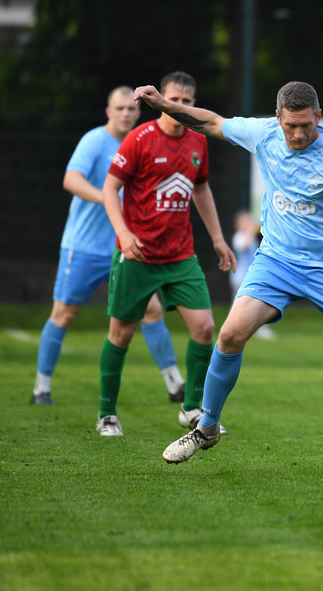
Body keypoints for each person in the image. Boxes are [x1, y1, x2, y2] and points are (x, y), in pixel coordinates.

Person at [141, 80, 323, 469]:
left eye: (307, 125)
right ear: (278, 117)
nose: (299, 134)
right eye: (291, 126)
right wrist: (162, 103)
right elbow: (211, 122)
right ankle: (207, 427)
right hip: (277, 262)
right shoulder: (264, 134)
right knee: (230, 334)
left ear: (318, 117)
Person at [95, 72, 236, 437]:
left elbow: (200, 189)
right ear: (160, 99)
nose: (181, 107)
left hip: (179, 254)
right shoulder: (138, 139)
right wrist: (123, 234)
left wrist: (218, 239)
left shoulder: (198, 141)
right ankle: (106, 414)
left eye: (189, 102)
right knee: (121, 334)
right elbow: (110, 190)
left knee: (205, 328)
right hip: (138, 253)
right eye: (175, 99)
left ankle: (191, 408)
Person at [31, 87, 186, 406]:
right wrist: (106, 196)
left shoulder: (145, 141)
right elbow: (70, 180)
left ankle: (175, 384)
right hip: (85, 246)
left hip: (127, 244)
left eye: (131, 109)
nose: (126, 114)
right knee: (64, 313)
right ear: (108, 111)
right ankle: (41, 387)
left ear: (139, 112)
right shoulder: (94, 141)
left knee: (152, 309)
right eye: (120, 108)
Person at [230, 209, 274, 340]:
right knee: (240, 304)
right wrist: (250, 232)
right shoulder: (238, 236)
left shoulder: (252, 237)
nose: (248, 224)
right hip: (240, 277)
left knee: (255, 301)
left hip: (250, 275)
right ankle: (234, 328)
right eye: (245, 222)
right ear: (237, 225)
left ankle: (258, 328)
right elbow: (244, 246)